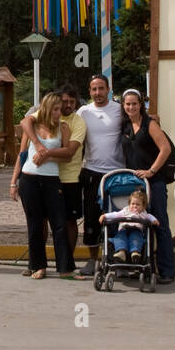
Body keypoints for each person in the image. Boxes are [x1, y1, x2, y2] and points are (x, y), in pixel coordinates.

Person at [15, 84, 86, 258]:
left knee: (67, 222)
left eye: (71, 101)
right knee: (39, 221)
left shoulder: (77, 122)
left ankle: (66, 261)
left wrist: (45, 154)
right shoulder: (45, 115)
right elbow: (25, 123)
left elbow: (69, 151)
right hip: (40, 177)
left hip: (69, 178)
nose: (67, 105)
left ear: (76, 103)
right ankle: (39, 262)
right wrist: (38, 146)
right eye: (64, 102)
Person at [11, 92, 75, 279]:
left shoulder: (63, 127)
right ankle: (38, 265)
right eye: (55, 109)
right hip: (29, 178)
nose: (58, 113)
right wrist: (13, 182)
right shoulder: (33, 127)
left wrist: (47, 154)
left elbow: (68, 155)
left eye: (60, 109)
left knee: (59, 223)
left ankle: (65, 268)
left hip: (51, 179)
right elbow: (22, 155)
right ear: (46, 109)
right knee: (35, 224)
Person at [118, 89, 175, 284]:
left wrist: (151, 171)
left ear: (140, 105)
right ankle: (139, 265)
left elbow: (165, 148)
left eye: (134, 103)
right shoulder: (125, 126)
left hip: (154, 181)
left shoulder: (150, 124)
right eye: (127, 104)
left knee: (159, 224)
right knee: (136, 222)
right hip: (135, 184)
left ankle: (167, 271)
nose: (131, 107)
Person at [75, 75, 124, 277]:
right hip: (92, 172)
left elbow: (140, 118)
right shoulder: (83, 112)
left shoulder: (120, 110)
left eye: (101, 89)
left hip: (117, 173)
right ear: (89, 91)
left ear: (108, 89)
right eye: (94, 89)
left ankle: (116, 258)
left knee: (118, 217)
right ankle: (92, 259)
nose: (98, 93)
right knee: (92, 218)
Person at [99, 188, 158, 263]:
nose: (135, 206)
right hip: (124, 229)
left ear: (143, 206)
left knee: (136, 238)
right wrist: (105, 216)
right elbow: (115, 214)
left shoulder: (143, 213)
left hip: (136, 230)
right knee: (119, 237)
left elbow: (150, 217)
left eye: (138, 204)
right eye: (133, 204)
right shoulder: (125, 211)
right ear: (129, 204)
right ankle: (121, 252)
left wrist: (154, 220)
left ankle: (135, 252)